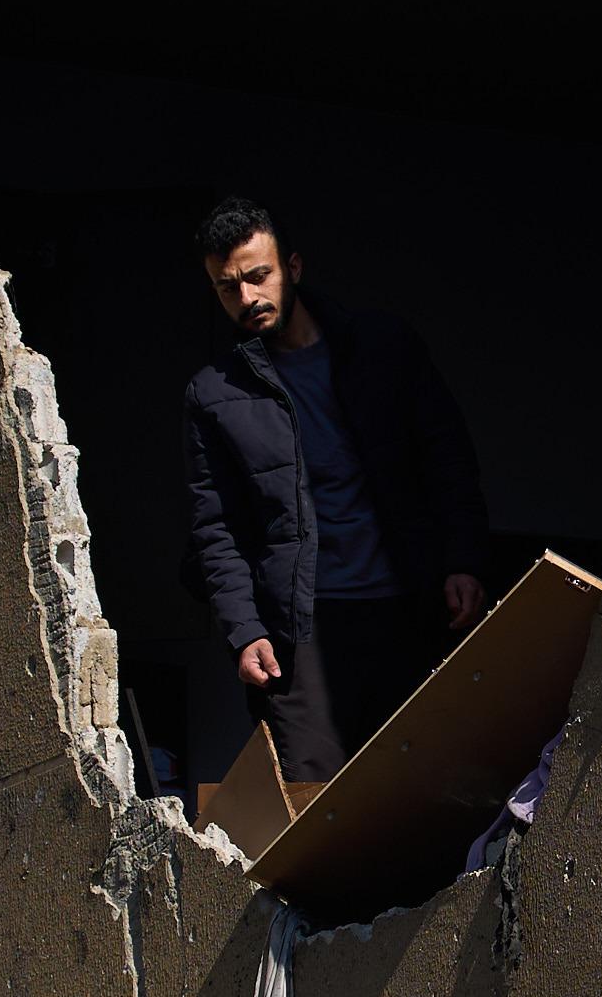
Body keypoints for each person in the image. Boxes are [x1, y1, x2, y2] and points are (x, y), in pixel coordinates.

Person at [175, 199, 490, 786]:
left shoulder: (383, 346)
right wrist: (245, 631)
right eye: (226, 288)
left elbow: (446, 460)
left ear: (293, 267)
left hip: (408, 606)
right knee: (313, 798)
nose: (246, 299)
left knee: (419, 786)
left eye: (256, 276)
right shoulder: (213, 394)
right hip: (299, 633)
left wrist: (463, 561)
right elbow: (214, 529)